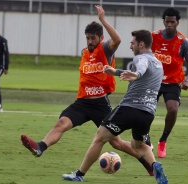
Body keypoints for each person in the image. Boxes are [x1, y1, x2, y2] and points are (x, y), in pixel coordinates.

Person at [20, 5, 153, 176]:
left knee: (117, 143)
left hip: (100, 104)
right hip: (82, 103)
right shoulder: (85, 52)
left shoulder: (105, 49)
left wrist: (103, 20)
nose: (90, 41)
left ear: (100, 38)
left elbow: (117, 40)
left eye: (93, 38)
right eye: (87, 38)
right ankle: (40, 147)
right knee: (61, 124)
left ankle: (147, 161)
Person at [62, 29, 168, 184]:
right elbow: (139, 74)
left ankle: (79, 174)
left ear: (141, 44)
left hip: (129, 109)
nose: (131, 47)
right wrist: (115, 72)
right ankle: (155, 165)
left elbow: (141, 69)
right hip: (148, 114)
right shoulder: (158, 63)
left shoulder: (140, 58)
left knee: (99, 137)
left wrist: (136, 74)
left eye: (132, 43)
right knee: (137, 145)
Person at [147, 7, 188, 158]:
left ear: (177, 23)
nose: (169, 25)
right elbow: (142, 53)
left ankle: (163, 141)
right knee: (146, 110)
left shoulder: (183, 42)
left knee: (173, 109)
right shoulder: (153, 37)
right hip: (153, 80)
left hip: (173, 81)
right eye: (167, 21)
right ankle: (145, 138)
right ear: (163, 21)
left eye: (172, 22)